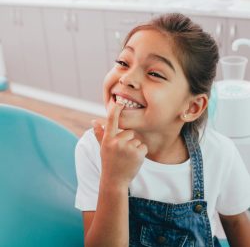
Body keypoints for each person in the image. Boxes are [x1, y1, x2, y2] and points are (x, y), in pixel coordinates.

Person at [74, 13, 250, 246]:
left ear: (192, 107)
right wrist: (113, 180)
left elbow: (237, 224)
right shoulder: (93, 148)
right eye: (123, 62)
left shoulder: (220, 153)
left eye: (154, 73)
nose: (127, 78)